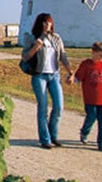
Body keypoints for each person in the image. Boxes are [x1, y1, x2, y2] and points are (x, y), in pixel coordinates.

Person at [21, 13, 71, 149]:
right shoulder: (32, 38)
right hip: (39, 75)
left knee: (59, 106)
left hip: (54, 75)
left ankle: (53, 135)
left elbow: (63, 56)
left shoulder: (56, 38)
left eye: (49, 22)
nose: (47, 25)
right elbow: (25, 57)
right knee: (43, 107)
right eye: (44, 22)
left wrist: (70, 72)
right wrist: (35, 48)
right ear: (39, 24)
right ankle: (45, 139)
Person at [71, 41, 102, 152]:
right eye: (100, 55)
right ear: (93, 52)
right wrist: (71, 79)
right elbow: (78, 77)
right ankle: (85, 131)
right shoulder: (86, 64)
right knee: (91, 117)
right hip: (90, 98)